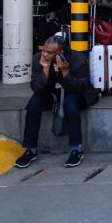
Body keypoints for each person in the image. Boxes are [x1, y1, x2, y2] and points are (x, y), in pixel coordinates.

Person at [14, 36, 99, 169]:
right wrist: (45, 71)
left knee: (70, 103)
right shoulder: (38, 59)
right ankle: (31, 150)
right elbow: (36, 88)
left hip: (75, 93)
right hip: (51, 93)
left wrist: (65, 72)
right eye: (44, 50)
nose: (45, 54)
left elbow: (80, 87)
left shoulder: (78, 60)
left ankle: (76, 149)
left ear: (60, 52)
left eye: (50, 52)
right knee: (33, 104)